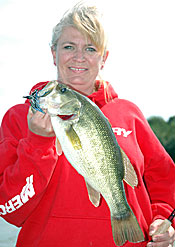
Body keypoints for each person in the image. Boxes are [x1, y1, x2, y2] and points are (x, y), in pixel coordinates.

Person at [0, 2, 175, 247]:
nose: (79, 57)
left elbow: (165, 181)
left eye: (91, 48)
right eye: (69, 46)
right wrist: (38, 143)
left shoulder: (130, 114)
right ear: (54, 53)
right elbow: (8, 209)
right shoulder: (20, 119)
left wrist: (163, 220)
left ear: (103, 58)